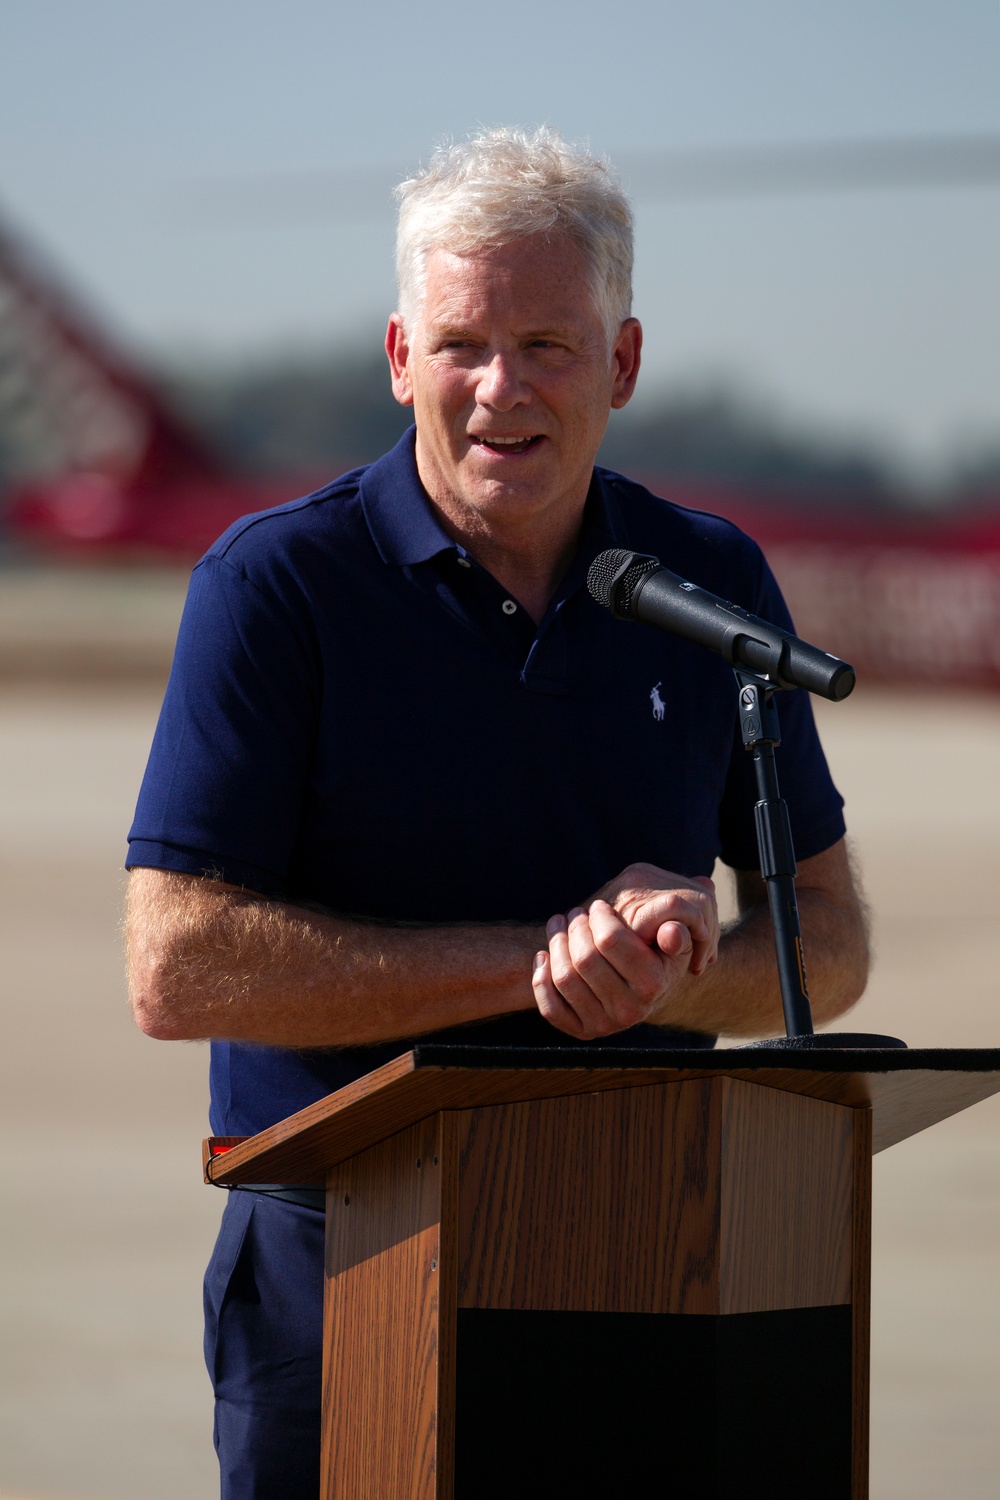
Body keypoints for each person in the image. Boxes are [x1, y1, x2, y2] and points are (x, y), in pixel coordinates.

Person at [124, 126, 868, 1499]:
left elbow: (830, 943)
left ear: (625, 365)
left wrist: (671, 971)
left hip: (646, 1249)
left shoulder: (712, 580)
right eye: (463, 343)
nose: (498, 389)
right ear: (400, 356)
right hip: (337, 1257)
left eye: (548, 344)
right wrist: (543, 958)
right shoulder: (274, 587)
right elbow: (174, 968)